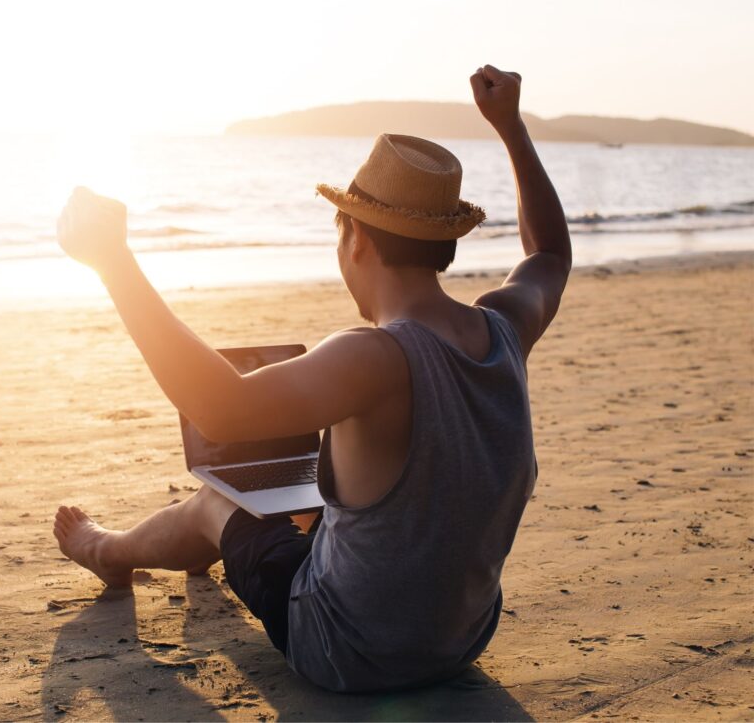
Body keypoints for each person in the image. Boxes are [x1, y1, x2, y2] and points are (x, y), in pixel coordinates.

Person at [52, 65, 571, 693]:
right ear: (444, 243)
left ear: (356, 240)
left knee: (219, 501)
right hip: (459, 641)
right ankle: (202, 551)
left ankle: (106, 551)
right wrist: (511, 127)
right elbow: (549, 254)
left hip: (347, 650)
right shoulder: (505, 328)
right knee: (313, 503)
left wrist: (113, 260)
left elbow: (220, 408)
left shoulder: (374, 356)